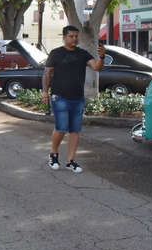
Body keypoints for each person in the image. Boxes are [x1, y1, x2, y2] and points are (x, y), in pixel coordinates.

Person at [41, 25, 106, 173]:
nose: (74, 39)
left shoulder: (82, 54)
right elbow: (47, 74)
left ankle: (71, 161)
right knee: (61, 128)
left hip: (77, 98)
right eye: (71, 36)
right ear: (64, 37)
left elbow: (96, 67)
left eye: (76, 36)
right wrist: (45, 92)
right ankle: (53, 154)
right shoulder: (56, 53)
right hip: (60, 97)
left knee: (75, 131)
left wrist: (101, 56)